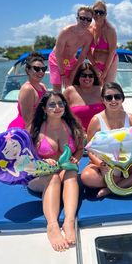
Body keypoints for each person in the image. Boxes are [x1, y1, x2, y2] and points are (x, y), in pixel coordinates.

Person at [81, 82, 132, 198]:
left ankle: (111, 189)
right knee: (87, 177)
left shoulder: (130, 118)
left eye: (117, 97)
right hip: (106, 164)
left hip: (130, 163)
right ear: (103, 100)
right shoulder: (96, 121)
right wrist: (101, 164)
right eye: (109, 97)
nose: (113, 100)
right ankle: (129, 182)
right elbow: (90, 150)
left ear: (122, 99)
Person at [29, 91, 84, 251]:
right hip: (40, 175)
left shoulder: (73, 126)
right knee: (52, 177)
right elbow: (26, 162)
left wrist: (76, 158)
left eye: (61, 103)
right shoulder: (35, 130)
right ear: (44, 109)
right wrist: (43, 161)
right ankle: (52, 226)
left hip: (64, 171)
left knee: (72, 172)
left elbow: (79, 149)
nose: (57, 107)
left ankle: (68, 221)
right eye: (52, 104)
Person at [49, 6, 94, 91]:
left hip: (71, 61)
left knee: (72, 87)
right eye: (82, 18)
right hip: (56, 59)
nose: (85, 21)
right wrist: (62, 75)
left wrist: (74, 71)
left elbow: (83, 55)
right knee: (57, 89)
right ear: (77, 18)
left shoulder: (88, 36)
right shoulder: (66, 32)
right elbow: (58, 54)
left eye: (88, 19)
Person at [8, 52, 47, 131]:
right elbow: (28, 121)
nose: (41, 72)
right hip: (24, 130)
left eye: (43, 69)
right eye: (36, 69)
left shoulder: (43, 86)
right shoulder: (27, 89)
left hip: (38, 126)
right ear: (28, 70)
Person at [63, 62, 104, 131]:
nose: (87, 78)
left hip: (100, 135)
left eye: (90, 76)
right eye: (84, 75)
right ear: (78, 76)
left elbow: (114, 111)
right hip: (77, 135)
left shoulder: (102, 91)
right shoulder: (69, 91)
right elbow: (59, 113)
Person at [87, 0, 118, 84]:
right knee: (95, 87)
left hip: (110, 63)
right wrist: (95, 66)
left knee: (106, 88)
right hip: (94, 62)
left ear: (105, 15)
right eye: (96, 11)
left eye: (101, 12)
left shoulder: (110, 30)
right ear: (92, 13)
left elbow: (112, 52)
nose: (98, 14)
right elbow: (87, 51)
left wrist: (105, 71)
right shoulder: (89, 29)